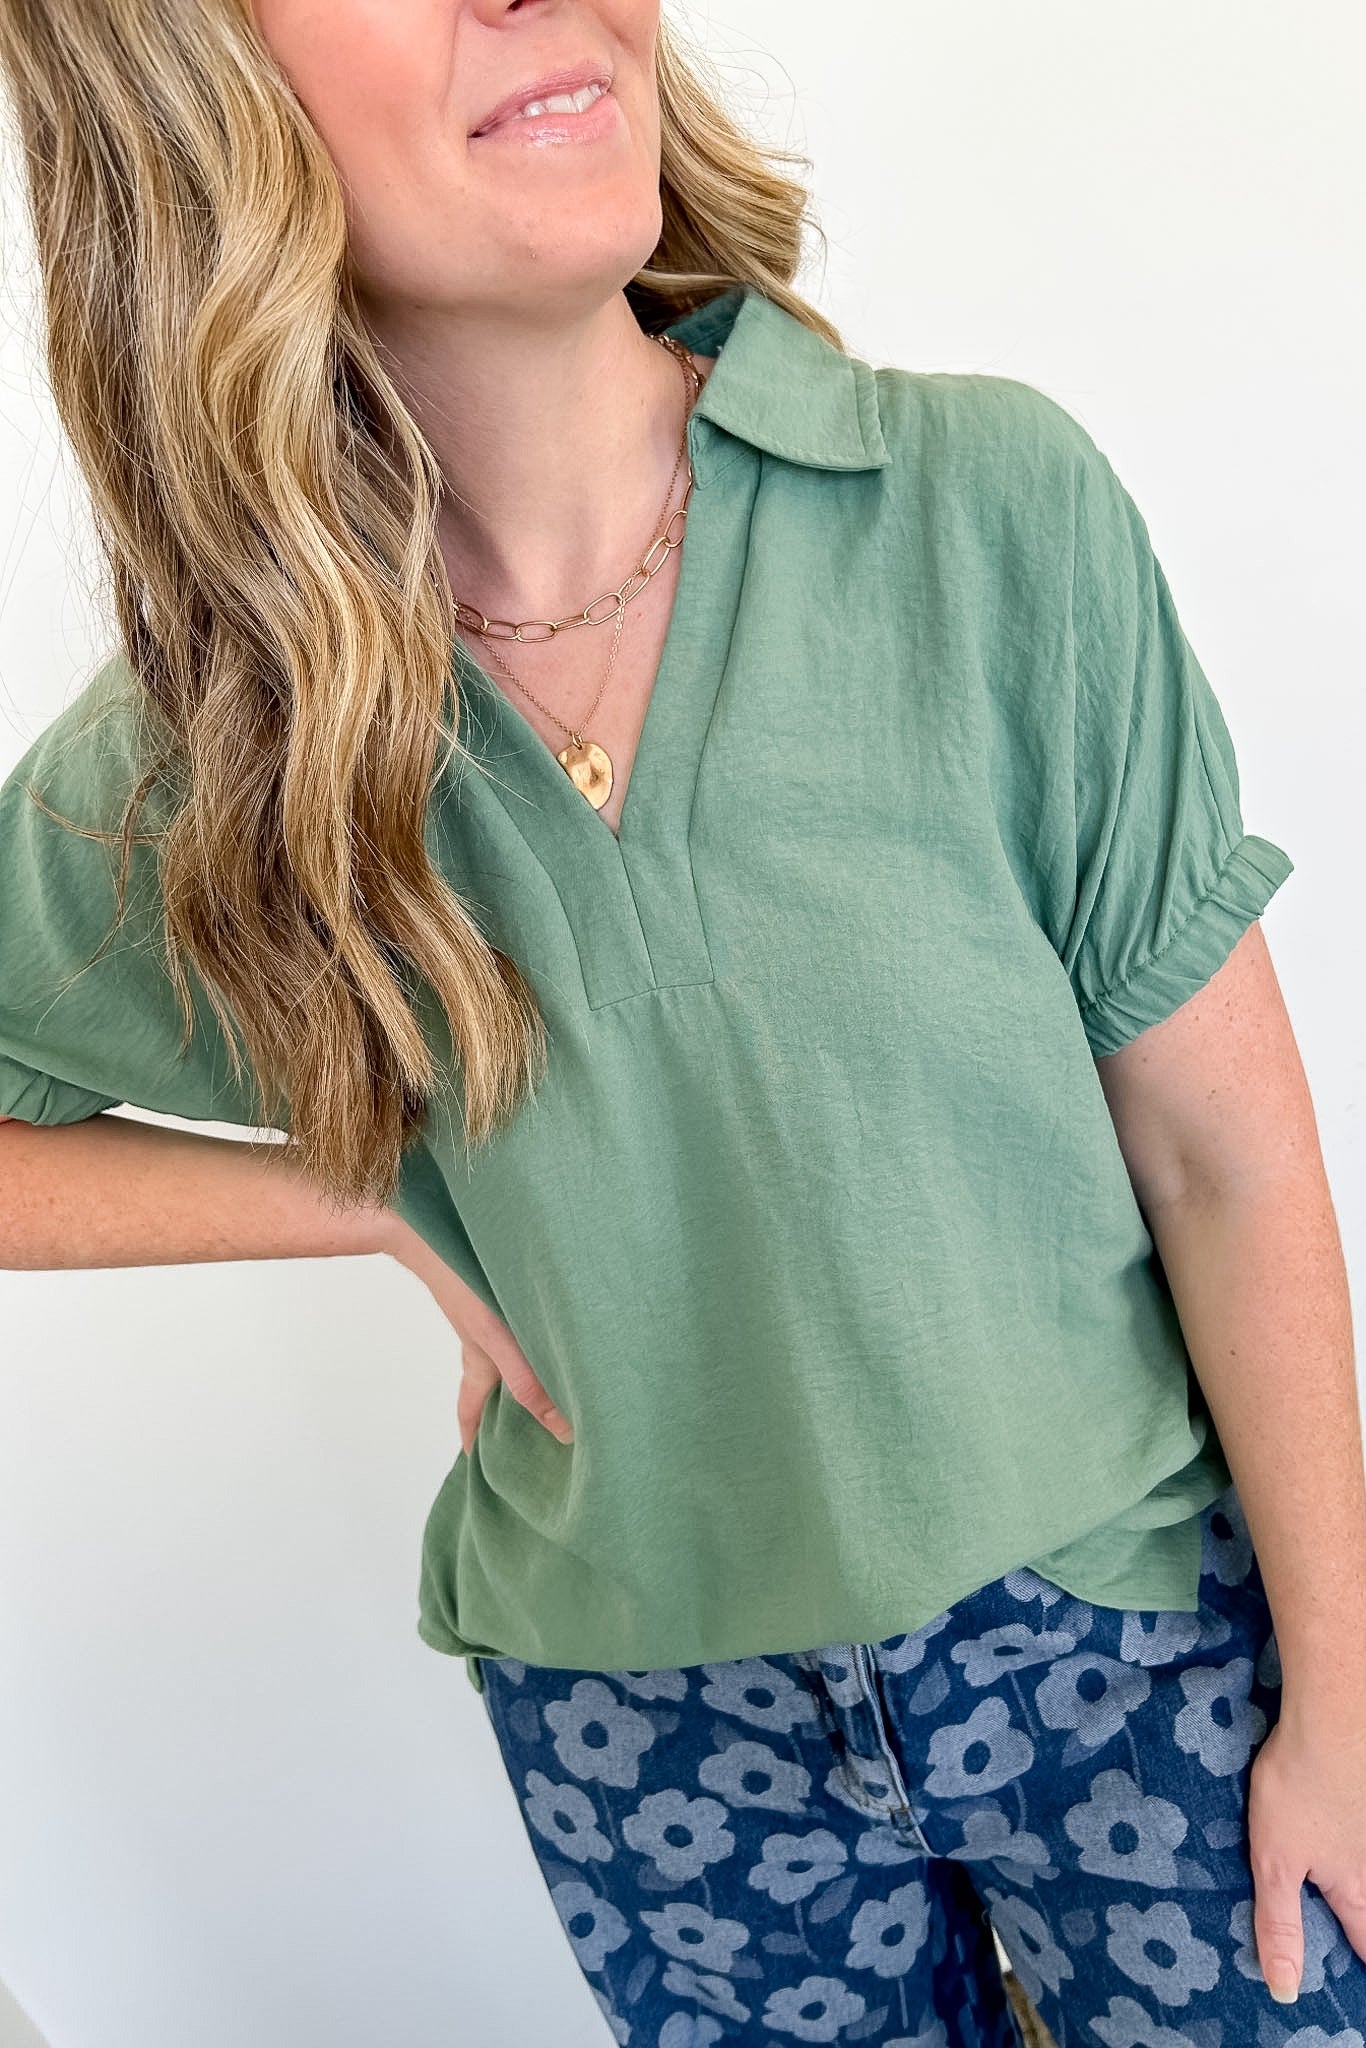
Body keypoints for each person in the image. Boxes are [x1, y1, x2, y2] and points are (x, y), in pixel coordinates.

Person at [0, 4, 1361, 2044]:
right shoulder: (219, 754)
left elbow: (1218, 1154)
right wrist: (358, 1200)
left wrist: (1343, 1694)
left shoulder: (977, 509)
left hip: (1129, 1643)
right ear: (186, 85)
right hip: (649, 1731)